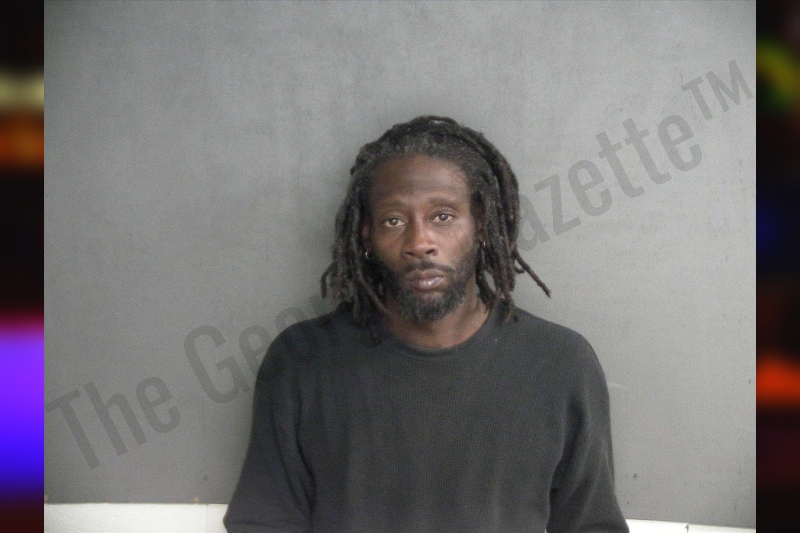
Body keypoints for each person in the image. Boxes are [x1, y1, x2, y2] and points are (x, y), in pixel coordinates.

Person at [224, 116, 628, 533]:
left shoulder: (560, 365)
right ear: (366, 234)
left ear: (481, 224)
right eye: (394, 221)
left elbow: (591, 527)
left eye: (443, 216)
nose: (419, 243)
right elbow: (263, 524)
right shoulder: (302, 361)